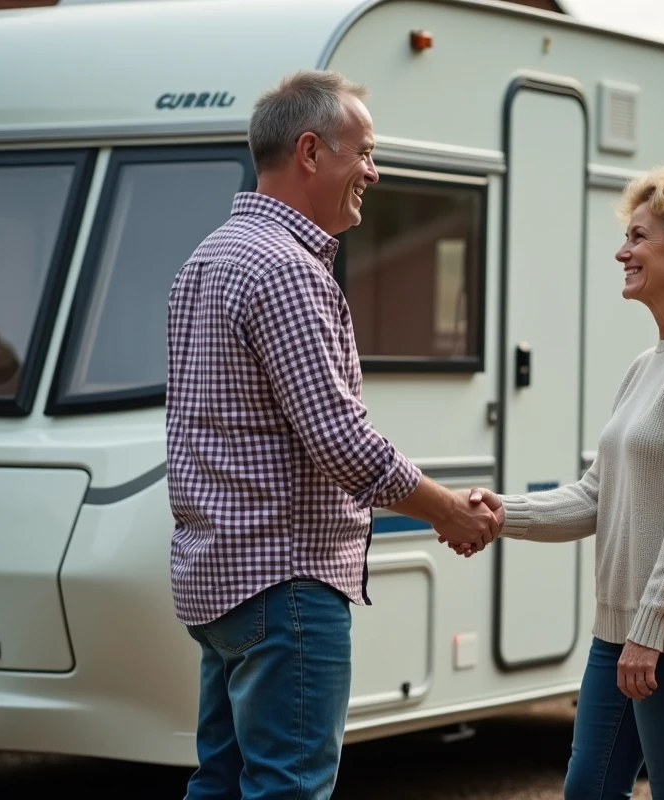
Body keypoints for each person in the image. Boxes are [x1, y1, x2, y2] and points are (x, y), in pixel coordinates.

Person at [165, 70, 499, 800]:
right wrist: (448, 510)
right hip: (284, 581)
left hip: (220, 580)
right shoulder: (287, 270)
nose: (374, 173)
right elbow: (342, 442)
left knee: (219, 785)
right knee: (288, 789)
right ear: (311, 151)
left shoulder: (205, 260)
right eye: (366, 152)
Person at [459, 166, 664, 799]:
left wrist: (650, 630)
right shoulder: (645, 365)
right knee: (589, 791)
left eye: (638, 237)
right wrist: (502, 513)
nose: (622, 251)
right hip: (622, 633)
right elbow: (595, 496)